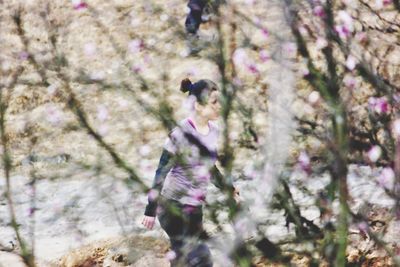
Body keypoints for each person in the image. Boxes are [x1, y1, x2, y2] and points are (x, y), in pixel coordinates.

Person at [141, 78, 239, 266]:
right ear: (198, 106)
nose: (220, 106)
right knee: (201, 257)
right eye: (214, 102)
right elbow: (161, 172)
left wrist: (229, 190)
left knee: (184, 259)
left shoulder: (214, 131)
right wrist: (150, 210)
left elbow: (210, 168)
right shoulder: (180, 134)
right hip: (172, 207)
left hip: (195, 207)